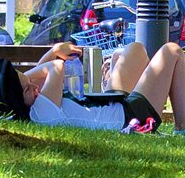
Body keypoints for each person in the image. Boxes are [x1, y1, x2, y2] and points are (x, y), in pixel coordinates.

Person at [10, 42, 164, 132]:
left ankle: (113, 71)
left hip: (111, 105)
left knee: (135, 49)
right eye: (27, 88)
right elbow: (54, 66)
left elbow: (38, 76)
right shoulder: (41, 113)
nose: (35, 88)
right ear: (16, 101)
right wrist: (55, 52)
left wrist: (25, 80)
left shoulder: (36, 103)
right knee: (171, 51)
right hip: (128, 116)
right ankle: (183, 127)